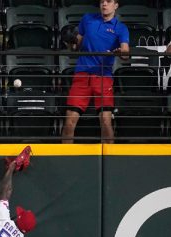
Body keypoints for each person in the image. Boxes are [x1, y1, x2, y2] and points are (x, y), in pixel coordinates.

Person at [61, 0, 129, 144]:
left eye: (108, 1)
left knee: (105, 121)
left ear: (116, 5)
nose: (104, 4)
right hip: (82, 74)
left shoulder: (121, 28)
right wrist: (69, 41)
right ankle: (65, 160)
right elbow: (75, 47)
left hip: (103, 77)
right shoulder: (87, 19)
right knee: (69, 122)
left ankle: (110, 161)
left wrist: (120, 52)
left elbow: (125, 53)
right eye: (102, 1)